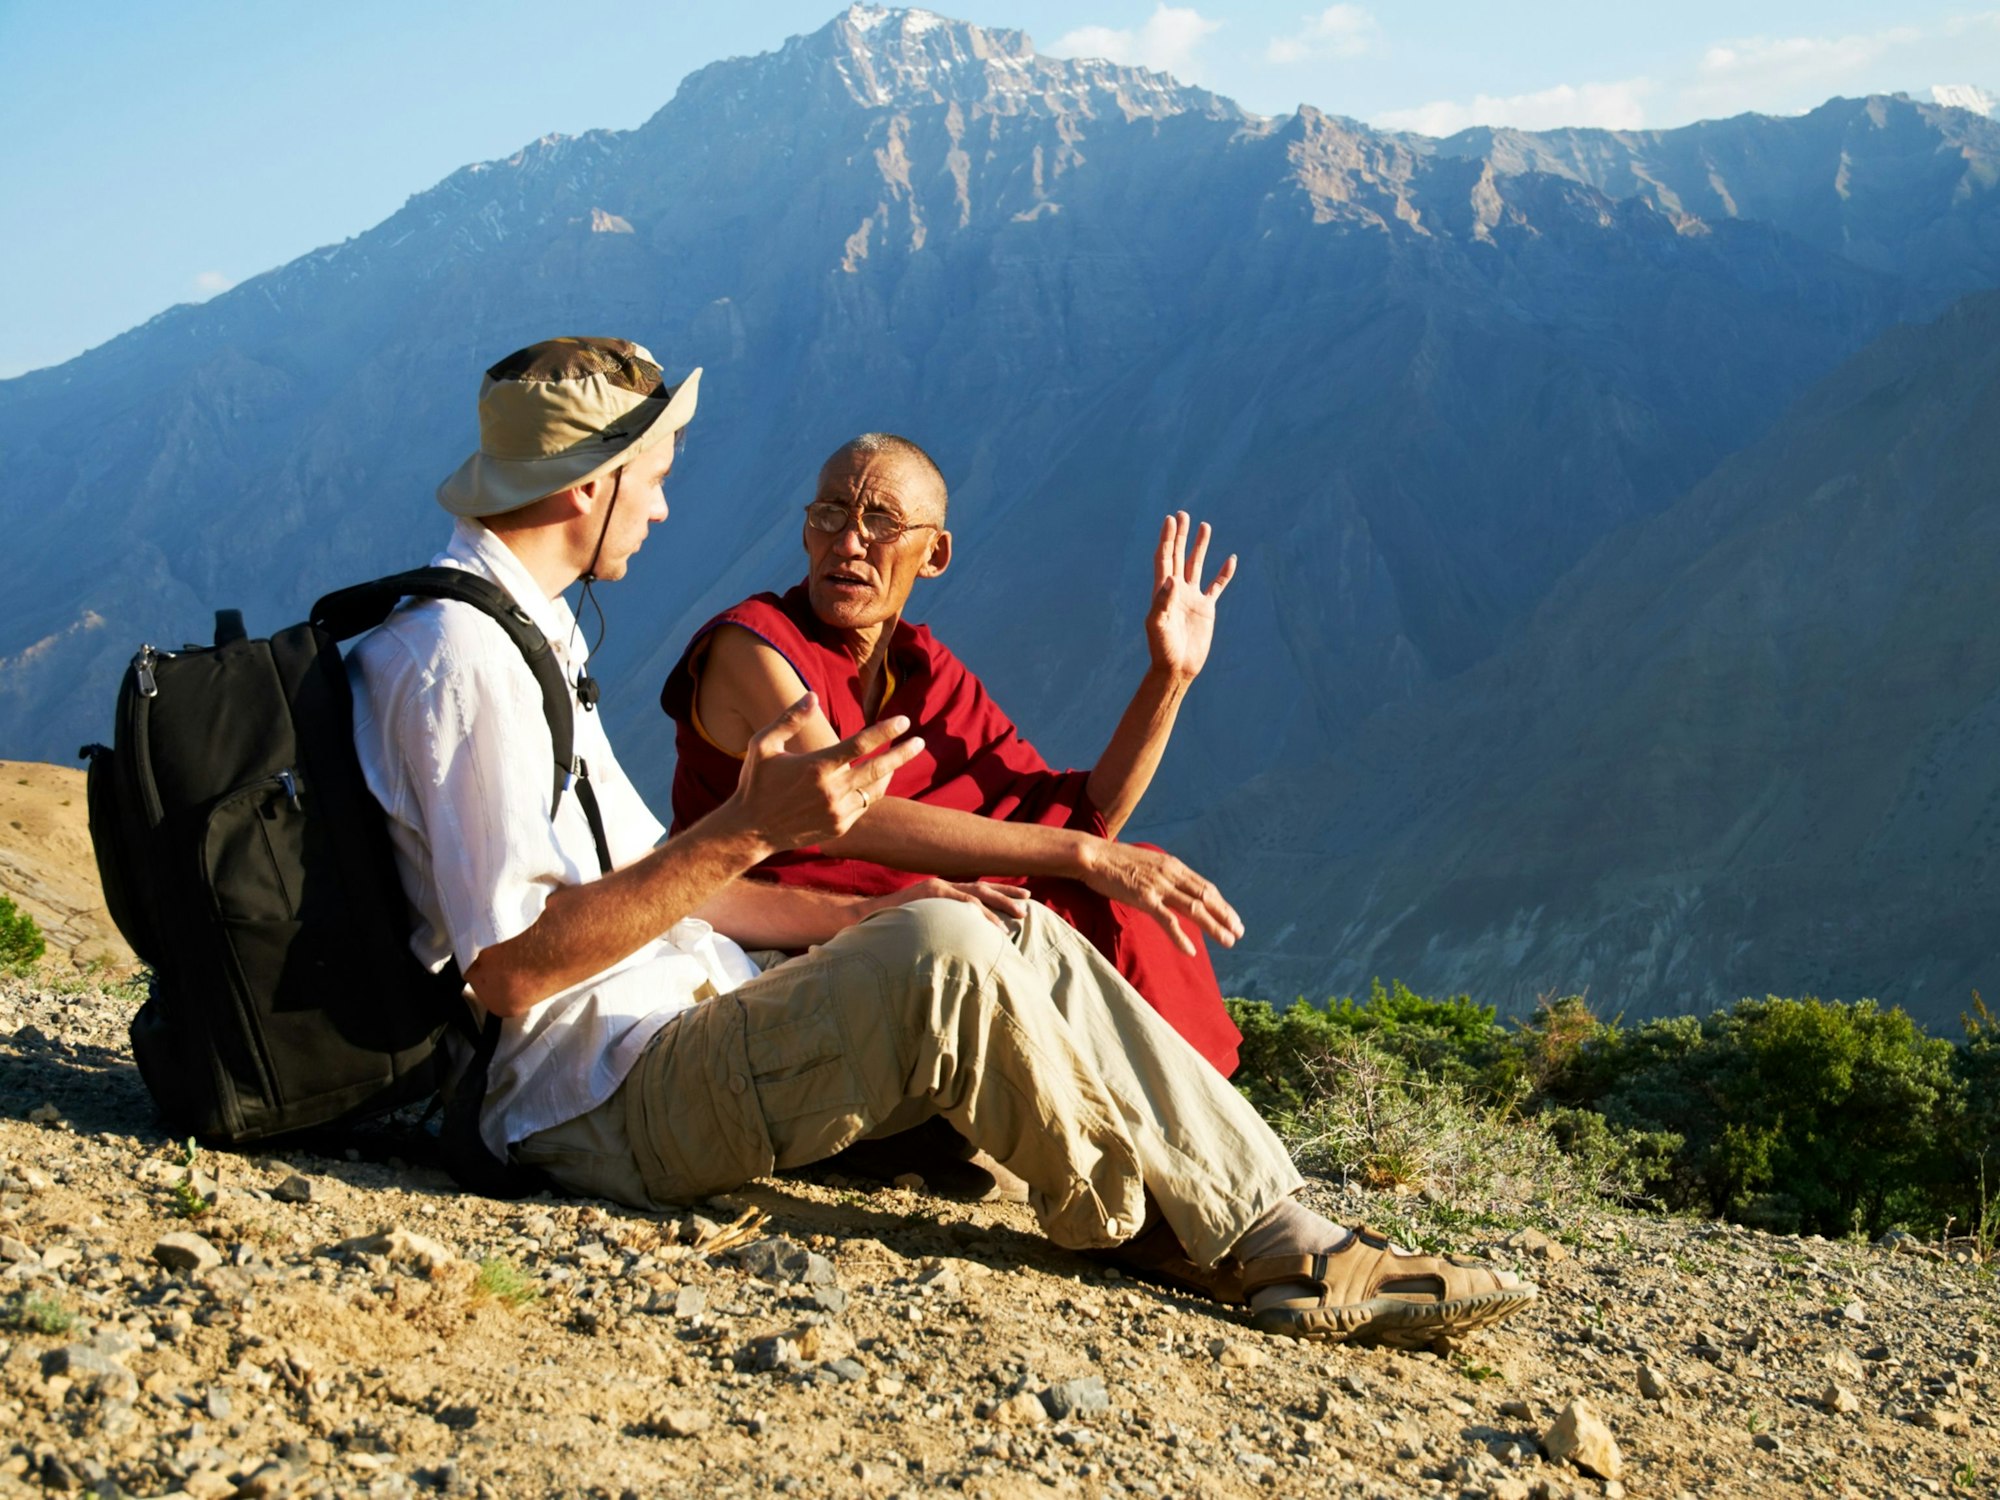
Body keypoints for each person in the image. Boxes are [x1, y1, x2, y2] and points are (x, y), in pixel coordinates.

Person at [348, 336, 1538, 1348]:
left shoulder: (528, 639)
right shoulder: (461, 664)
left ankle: (1291, 1232)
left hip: (671, 1029)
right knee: (947, 950)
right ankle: (1199, 1234)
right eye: (650, 476)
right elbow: (508, 968)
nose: (662, 503)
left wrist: (842, 911)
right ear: (583, 485)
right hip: (584, 1105)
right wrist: (747, 834)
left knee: (997, 935)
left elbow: (671, 896)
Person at [662, 433, 1243, 1074]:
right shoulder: (753, 647)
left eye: (880, 521)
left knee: (1128, 895)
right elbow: (839, 808)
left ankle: (1172, 1113)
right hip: (773, 940)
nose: (848, 542)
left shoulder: (922, 672)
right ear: (806, 532)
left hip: (909, 927)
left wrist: (1170, 678)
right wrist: (1087, 854)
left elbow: (1078, 814)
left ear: (934, 554)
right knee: (1079, 879)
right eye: (829, 514)